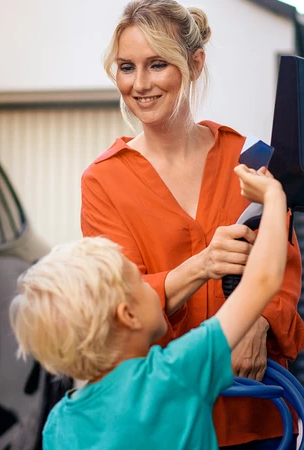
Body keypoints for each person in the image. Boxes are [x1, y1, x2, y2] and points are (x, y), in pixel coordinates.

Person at [80, 1, 304, 448]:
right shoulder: (103, 181)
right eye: (127, 67)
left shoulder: (249, 157)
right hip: (164, 422)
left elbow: (286, 268)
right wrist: (202, 265)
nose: (140, 84)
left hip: (257, 417)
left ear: (194, 64)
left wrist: (257, 321)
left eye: (157, 64)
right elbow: (120, 304)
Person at [11, 165, 289, 450]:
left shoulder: (58, 424)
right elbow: (263, 281)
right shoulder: (176, 372)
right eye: (140, 282)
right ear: (128, 316)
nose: (152, 285)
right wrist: (274, 197)